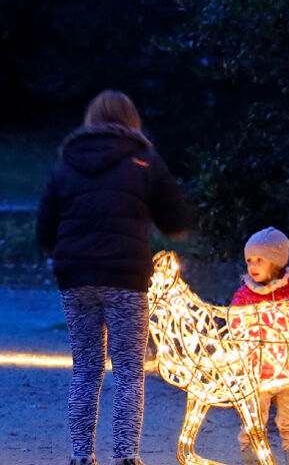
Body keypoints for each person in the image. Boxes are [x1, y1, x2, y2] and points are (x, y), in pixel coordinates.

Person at [35, 89, 190, 465]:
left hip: (76, 278)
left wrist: (71, 252)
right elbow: (175, 221)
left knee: (86, 368)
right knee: (129, 370)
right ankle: (125, 456)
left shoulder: (66, 163)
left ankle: (80, 455)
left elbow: (44, 231)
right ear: (131, 121)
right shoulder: (145, 159)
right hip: (126, 277)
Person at [231, 226, 289, 465]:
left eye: (259, 260)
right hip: (256, 371)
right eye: (249, 260)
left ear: (276, 261)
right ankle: (251, 451)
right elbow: (234, 322)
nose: (253, 266)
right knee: (253, 416)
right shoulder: (245, 295)